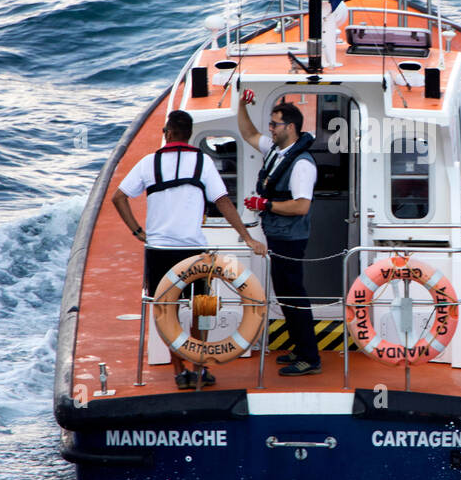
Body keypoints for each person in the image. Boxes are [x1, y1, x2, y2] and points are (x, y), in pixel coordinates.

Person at [112, 109, 266, 389]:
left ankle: (179, 371)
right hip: (194, 253)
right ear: (189, 135)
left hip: (159, 251)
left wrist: (137, 232)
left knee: (166, 311)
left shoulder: (149, 162)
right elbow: (223, 202)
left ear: (168, 133)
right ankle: (200, 366)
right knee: (201, 310)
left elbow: (119, 197)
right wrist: (247, 237)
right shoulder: (203, 162)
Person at [236, 91, 320, 376]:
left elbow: (301, 206)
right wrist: (241, 104)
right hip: (277, 235)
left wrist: (265, 204)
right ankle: (299, 348)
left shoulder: (302, 165)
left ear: (291, 128)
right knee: (285, 295)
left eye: (275, 124)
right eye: (271, 124)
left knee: (294, 295)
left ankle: (310, 358)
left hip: (291, 239)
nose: (270, 129)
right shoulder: (275, 151)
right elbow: (248, 133)